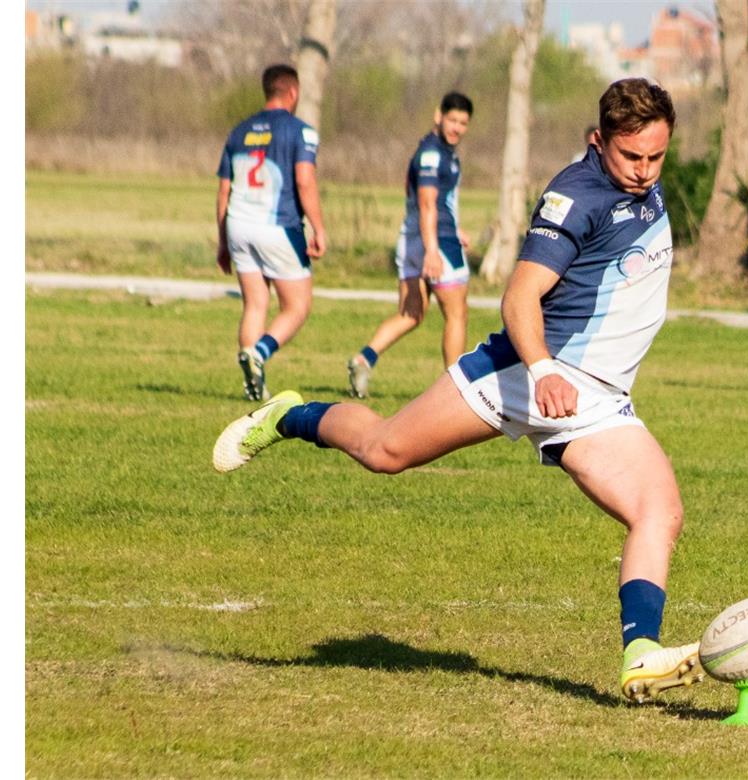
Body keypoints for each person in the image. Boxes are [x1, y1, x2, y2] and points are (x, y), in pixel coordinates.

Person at [213, 79, 700, 704]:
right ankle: (290, 414)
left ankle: (640, 657)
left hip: (597, 402)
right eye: (631, 157)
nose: (644, 170)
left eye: (656, 157)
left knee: (660, 510)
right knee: (387, 452)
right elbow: (520, 296)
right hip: (525, 375)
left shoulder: (642, 182)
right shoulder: (574, 199)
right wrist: (545, 368)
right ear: (597, 141)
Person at [347, 92, 475, 398]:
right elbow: (427, 203)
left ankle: (364, 358)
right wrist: (433, 249)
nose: (457, 127)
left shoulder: (439, 150)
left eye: (463, 123)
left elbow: (438, 203)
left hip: (414, 238)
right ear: (438, 115)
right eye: (452, 120)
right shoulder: (433, 154)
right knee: (457, 314)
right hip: (435, 242)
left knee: (411, 314)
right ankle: (455, 391)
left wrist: (454, 229)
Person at [217, 64, 327, 401]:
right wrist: (319, 228)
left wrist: (223, 241)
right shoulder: (301, 131)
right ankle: (259, 353)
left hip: (238, 224)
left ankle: (253, 387)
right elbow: (305, 181)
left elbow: (223, 191)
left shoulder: (238, 132)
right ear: (293, 92)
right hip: (276, 225)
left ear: (268, 91)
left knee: (255, 303)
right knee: (298, 306)